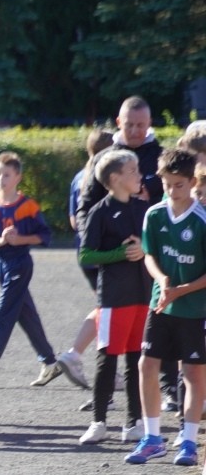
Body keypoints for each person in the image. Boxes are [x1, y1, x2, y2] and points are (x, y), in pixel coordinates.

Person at [76, 97, 176, 412]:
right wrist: (94, 241)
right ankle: (102, 400)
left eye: (140, 125)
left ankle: (167, 388)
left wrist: (147, 203)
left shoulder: (160, 156)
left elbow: (173, 201)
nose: (134, 130)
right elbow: (86, 206)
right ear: (119, 122)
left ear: (149, 125)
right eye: (129, 124)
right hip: (112, 265)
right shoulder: (103, 159)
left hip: (153, 258)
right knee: (113, 336)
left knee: (161, 322)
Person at [126, 148, 206, 464]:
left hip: (194, 309)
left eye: (179, 185)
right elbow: (149, 256)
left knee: (192, 372)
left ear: (191, 182)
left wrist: (183, 289)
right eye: (167, 184)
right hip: (161, 305)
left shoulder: (201, 220)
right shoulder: (154, 214)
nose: (172, 191)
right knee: (146, 365)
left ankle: (188, 440)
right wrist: (162, 281)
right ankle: (152, 437)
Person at [0, 152, 61, 388]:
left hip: (20, 264)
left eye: (6, 174)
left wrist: (20, 239)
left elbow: (45, 236)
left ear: (18, 177)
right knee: (26, 315)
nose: (1, 179)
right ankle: (50, 362)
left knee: (1, 316)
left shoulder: (28, 206)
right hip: (1, 264)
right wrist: (3, 240)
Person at [77, 149, 150, 444]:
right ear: (115, 178)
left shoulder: (144, 209)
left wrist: (143, 248)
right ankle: (98, 422)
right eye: (133, 171)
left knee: (137, 360)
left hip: (142, 295)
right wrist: (120, 253)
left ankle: (134, 422)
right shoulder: (100, 212)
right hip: (113, 298)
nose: (139, 175)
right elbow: (86, 254)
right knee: (107, 359)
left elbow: (153, 243)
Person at [59, 129, 115, 396]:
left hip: (84, 253)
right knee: (109, 307)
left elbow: (73, 220)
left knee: (106, 306)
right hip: (104, 252)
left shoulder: (79, 177)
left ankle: (89, 359)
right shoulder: (106, 177)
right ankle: (76, 354)